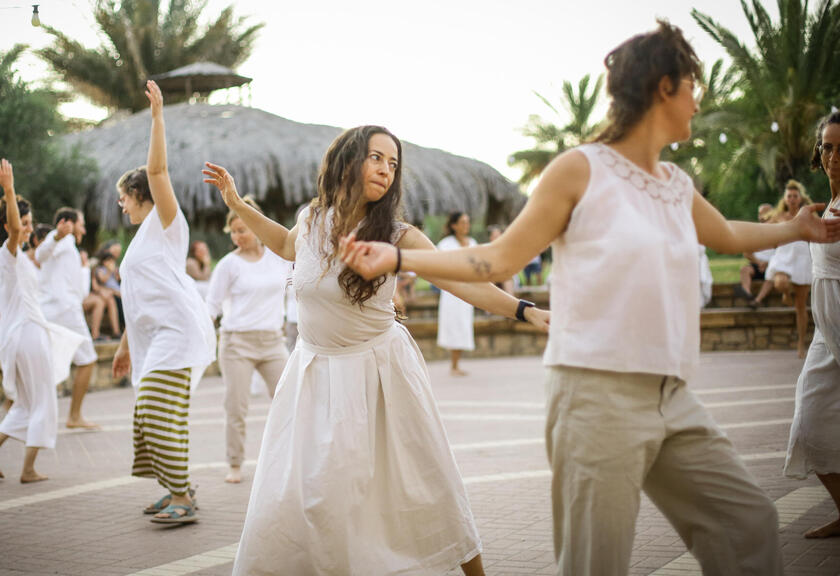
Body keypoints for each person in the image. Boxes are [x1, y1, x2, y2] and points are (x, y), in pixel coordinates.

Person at [340, 21, 840, 576]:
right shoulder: (579, 170)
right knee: (595, 565)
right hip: (594, 396)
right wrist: (401, 257)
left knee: (748, 527)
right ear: (663, 87)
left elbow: (728, 234)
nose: (699, 101)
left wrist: (796, 229)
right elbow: (500, 258)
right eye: (693, 87)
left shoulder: (673, 181)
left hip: (671, 396)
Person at [203, 126, 549, 576]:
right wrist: (237, 205)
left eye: (393, 163)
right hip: (313, 375)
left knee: (426, 483)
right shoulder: (312, 219)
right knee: (306, 493)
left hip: (379, 372)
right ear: (348, 160)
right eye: (376, 158)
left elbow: (462, 281)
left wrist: (521, 310)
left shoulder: (399, 235)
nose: (386, 170)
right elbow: (285, 245)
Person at [111, 80, 215, 524]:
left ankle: (182, 498)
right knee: (156, 416)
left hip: (179, 332)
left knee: (155, 411)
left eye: (124, 198)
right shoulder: (140, 242)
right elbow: (137, 301)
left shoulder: (167, 224)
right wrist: (124, 345)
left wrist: (157, 118)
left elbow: (157, 174)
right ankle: (179, 487)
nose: (121, 206)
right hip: (156, 338)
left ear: (141, 198)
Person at [0, 160, 85, 483]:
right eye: (23, 222)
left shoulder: (18, 259)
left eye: (28, 222)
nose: (27, 227)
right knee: (43, 401)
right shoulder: (8, 254)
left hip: (21, 334)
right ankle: (27, 469)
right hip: (27, 334)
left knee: (27, 402)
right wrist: (9, 191)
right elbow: (12, 228)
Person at [206, 196, 291, 484]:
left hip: (272, 341)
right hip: (236, 343)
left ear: (257, 226)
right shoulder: (228, 265)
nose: (238, 236)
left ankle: (289, 458)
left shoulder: (280, 258)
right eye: (234, 231)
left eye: (243, 229)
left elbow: (299, 285)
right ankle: (235, 463)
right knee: (236, 407)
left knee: (289, 400)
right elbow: (212, 306)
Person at [784, 110, 840, 538]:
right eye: (828, 147)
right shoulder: (823, 207)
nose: (834, 157)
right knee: (810, 419)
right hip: (827, 331)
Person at [35, 207, 101, 429]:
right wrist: (56, 235)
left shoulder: (70, 248)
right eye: (81, 223)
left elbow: (81, 291)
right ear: (68, 223)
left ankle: (16, 407)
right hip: (65, 312)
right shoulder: (63, 241)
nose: (84, 227)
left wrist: (84, 269)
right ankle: (74, 416)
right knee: (88, 359)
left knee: (46, 362)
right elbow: (39, 255)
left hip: (60, 310)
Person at [765, 180, 815, 356]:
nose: (792, 199)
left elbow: (818, 231)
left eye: (795, 196)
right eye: (789, 196)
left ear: (800, 198)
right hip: (783, 256)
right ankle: (786, 293)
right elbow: (762, 230)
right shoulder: (779, 217)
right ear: (785, 199)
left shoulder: (807, 215)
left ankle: (801, 343)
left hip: (802, 257)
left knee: (800, 306)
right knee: (780, 283)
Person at [437, 211, 477, 375]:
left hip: (469, 291)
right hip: (451, 292)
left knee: (463, 325)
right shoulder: (445, 244)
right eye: (462, 222)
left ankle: (456, 364)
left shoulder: (473, 243)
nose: (466, 225)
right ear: (454, 225)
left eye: (467, 222)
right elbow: (439, 266)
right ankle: (453, 365)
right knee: (452, 325)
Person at [738, 203, 776, 308]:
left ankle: (757, 300)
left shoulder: (778, 231)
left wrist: (768, 264)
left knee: (772, 276)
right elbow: (746, 252)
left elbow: (783, 254)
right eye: (760, 214)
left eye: (766, 213)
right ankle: (748, 295)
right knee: (744, 270)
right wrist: (759, 263)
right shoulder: (754, 232)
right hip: (757, 265)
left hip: (772, 266)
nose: (763, 216)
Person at [91, 251, 122, 338]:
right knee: (112, 300)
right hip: (112, 294)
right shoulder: (100, 270)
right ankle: (116, 332)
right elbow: (103, 280)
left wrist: (116, 272)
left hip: (117, 292)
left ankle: (117, 331)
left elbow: (118, 279)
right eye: (109, 261)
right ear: (104, 262)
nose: (111, 263)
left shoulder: (113, 270)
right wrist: (109, 271)